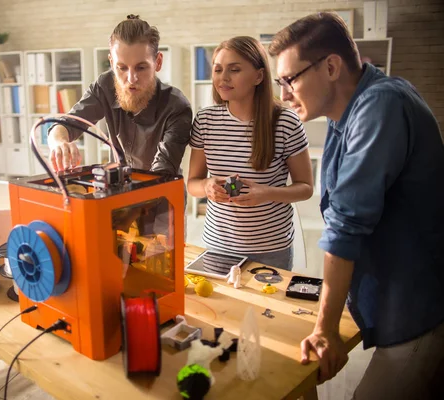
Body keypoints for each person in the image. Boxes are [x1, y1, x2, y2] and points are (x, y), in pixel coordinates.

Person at [268, 12, 444, 399]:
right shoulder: (344, 112)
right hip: (392, 298)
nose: (282, 95)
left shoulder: (380, 106)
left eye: (289, 80)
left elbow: (345, 225)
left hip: (418, 309)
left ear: (331, 66)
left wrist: (326, 329)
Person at [187, 36, 314, 271]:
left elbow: (305, 187)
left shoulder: (286, 121)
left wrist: (266, 193)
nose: (223, 78)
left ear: (258, 76)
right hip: (218, 246)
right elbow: (191, 184)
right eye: (217, 70)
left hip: (271, 249)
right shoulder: (205, 120)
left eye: (234, 70)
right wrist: (206, 186)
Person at [47, 14, 192, 176]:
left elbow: (162, 173)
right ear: (111, 63)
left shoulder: (177, 107)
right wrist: (59, 142)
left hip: (161, 194)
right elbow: (67, 123)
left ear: (158, 62)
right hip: (120, 190)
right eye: (121, 68)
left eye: (141, 68)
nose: (131, 79)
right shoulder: (105, 85)